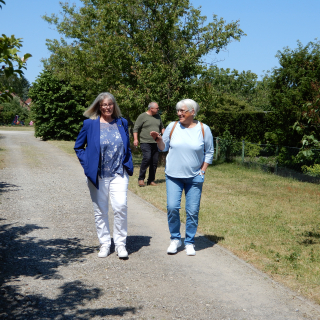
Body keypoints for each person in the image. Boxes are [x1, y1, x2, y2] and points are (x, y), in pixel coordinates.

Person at [150, 99, 214, 256]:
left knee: (192, 211)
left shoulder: (203, 129)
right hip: (173, 175)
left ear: (192, 112)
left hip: (194, 177)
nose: (179, 113)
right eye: (178, 111)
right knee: (172, 207)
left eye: (183, 111)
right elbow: (163, 147)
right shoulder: (172, 126)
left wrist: (203, 170)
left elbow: (210, 151)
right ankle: (175, 239)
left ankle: (190, 242)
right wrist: (158, 139)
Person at [74, 92, 133, 259]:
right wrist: (87, 166)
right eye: (103, 105)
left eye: (110, 104)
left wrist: (127, 162)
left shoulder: (122, 123)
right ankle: (105, 244)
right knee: (100, 210)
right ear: (98, 107)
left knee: (120, 207)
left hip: (118, 173)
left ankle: (121, 244)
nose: (107, 107)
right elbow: (78, 147)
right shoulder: (89, 124)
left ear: (114, 106)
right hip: (98, 175)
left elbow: (126, 146)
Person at [133, 102, 165, 187]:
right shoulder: (142, 116)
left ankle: (151, 180)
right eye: (157, 108)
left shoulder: (158, 117)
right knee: (147, 158)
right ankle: (141, 179)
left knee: (154, 162)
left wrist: (165, 137)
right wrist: (135, 139)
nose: (158, 110)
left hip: (156, 142)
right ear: (151, 109)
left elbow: (162, 127)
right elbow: (136, 128)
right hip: (145, 142)